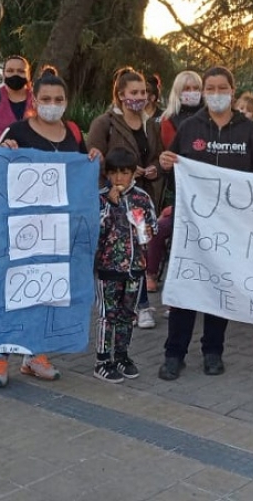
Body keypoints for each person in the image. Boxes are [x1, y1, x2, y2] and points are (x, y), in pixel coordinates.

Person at [157, 66, 253, 380]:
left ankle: (213, 351)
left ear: (232, 91)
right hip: (193, 226)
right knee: (187, 289)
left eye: (222, 88)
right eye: (210, 88)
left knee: (219, 290)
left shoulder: (249, 130)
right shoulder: (190, 126)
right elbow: (174, 171)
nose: (216, 93)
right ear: (204, 92)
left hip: (231, 226)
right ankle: (174, 354)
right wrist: (166, 164)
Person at [0, 72, 100, 388]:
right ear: (34, 100)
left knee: (47, 290)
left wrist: (90, 158)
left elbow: (78, 173)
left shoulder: (73, 132)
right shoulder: (17, 131)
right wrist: (3, 152)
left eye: (59, 100)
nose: (53, 105)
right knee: (14, 289)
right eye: (46, 99)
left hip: (57, 229)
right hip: (20, 227)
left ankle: (34, 354)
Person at [88, 67, 163, 327]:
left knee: (141, 246)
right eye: (134, 92)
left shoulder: (149, 124)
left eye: (143, 92)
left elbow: (155, 154)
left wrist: (154, 167)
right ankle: (115, 305)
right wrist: (119, 178)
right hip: (114, 198)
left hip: (141, 197)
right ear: (121, 94)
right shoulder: (104, 123)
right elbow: (94, 157)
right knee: (116, 251)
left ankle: (141, 305)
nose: (140, 97)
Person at [93, 148, 158, 383]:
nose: (119, 179)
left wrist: (149, 231)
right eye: (114, 173)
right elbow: (96, 231)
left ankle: (122, 355)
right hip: (108, 268)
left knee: (127, 314)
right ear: (107, 174)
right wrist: (110, 206)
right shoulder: (100, 198)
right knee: (106, 315)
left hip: (135, 268)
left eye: (124, 173)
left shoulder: (142, 197)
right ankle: (102, 360)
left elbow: (152, 227)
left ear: (133, 174)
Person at [146, 71, 204, 294]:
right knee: (162, 230)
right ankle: (151, 273)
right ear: (177, 92)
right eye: (186, 89)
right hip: (177, 191)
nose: (191, 93)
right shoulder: (168, 121)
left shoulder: (209, 118)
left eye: (195, 88)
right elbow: (165, 155)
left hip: (205, 192)